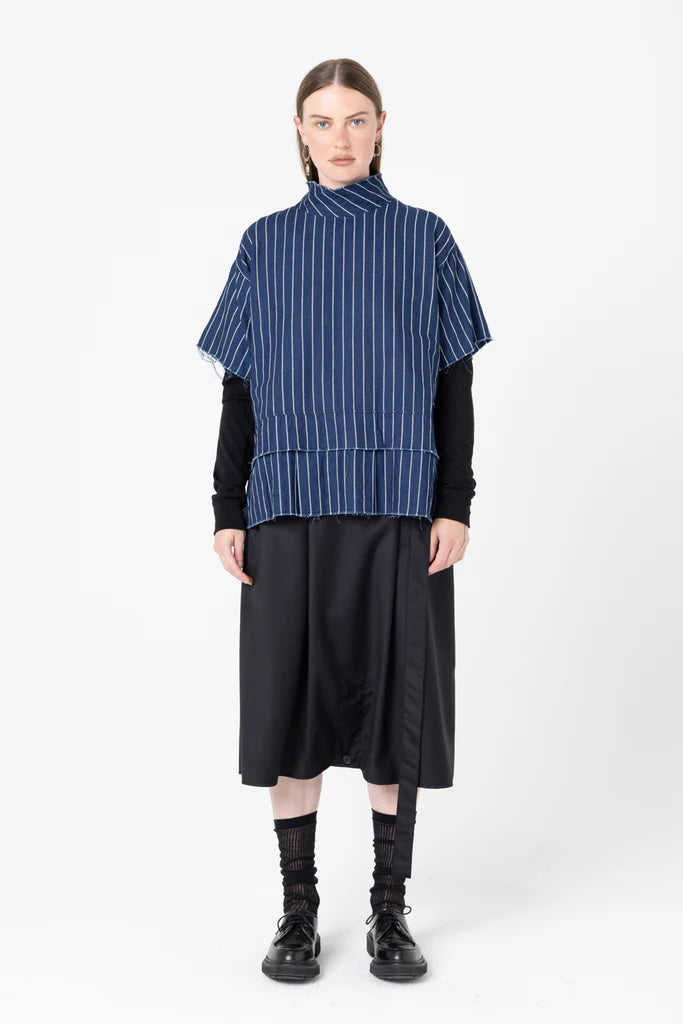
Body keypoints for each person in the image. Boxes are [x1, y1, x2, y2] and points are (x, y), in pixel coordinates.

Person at [196, 58, 494, 983]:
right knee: (291, 710)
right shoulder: (265, 243)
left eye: (355, 119)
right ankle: (298, 911)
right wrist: (228, 507)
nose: (339, 137)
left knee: (391, 714)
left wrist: (454, 503)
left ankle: (389, 910)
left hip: (399, 506)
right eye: (321, 121)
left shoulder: (424, 238)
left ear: (380, 127)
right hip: (285, 508)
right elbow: (239, 388)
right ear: (298, 130)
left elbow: (452, 382)